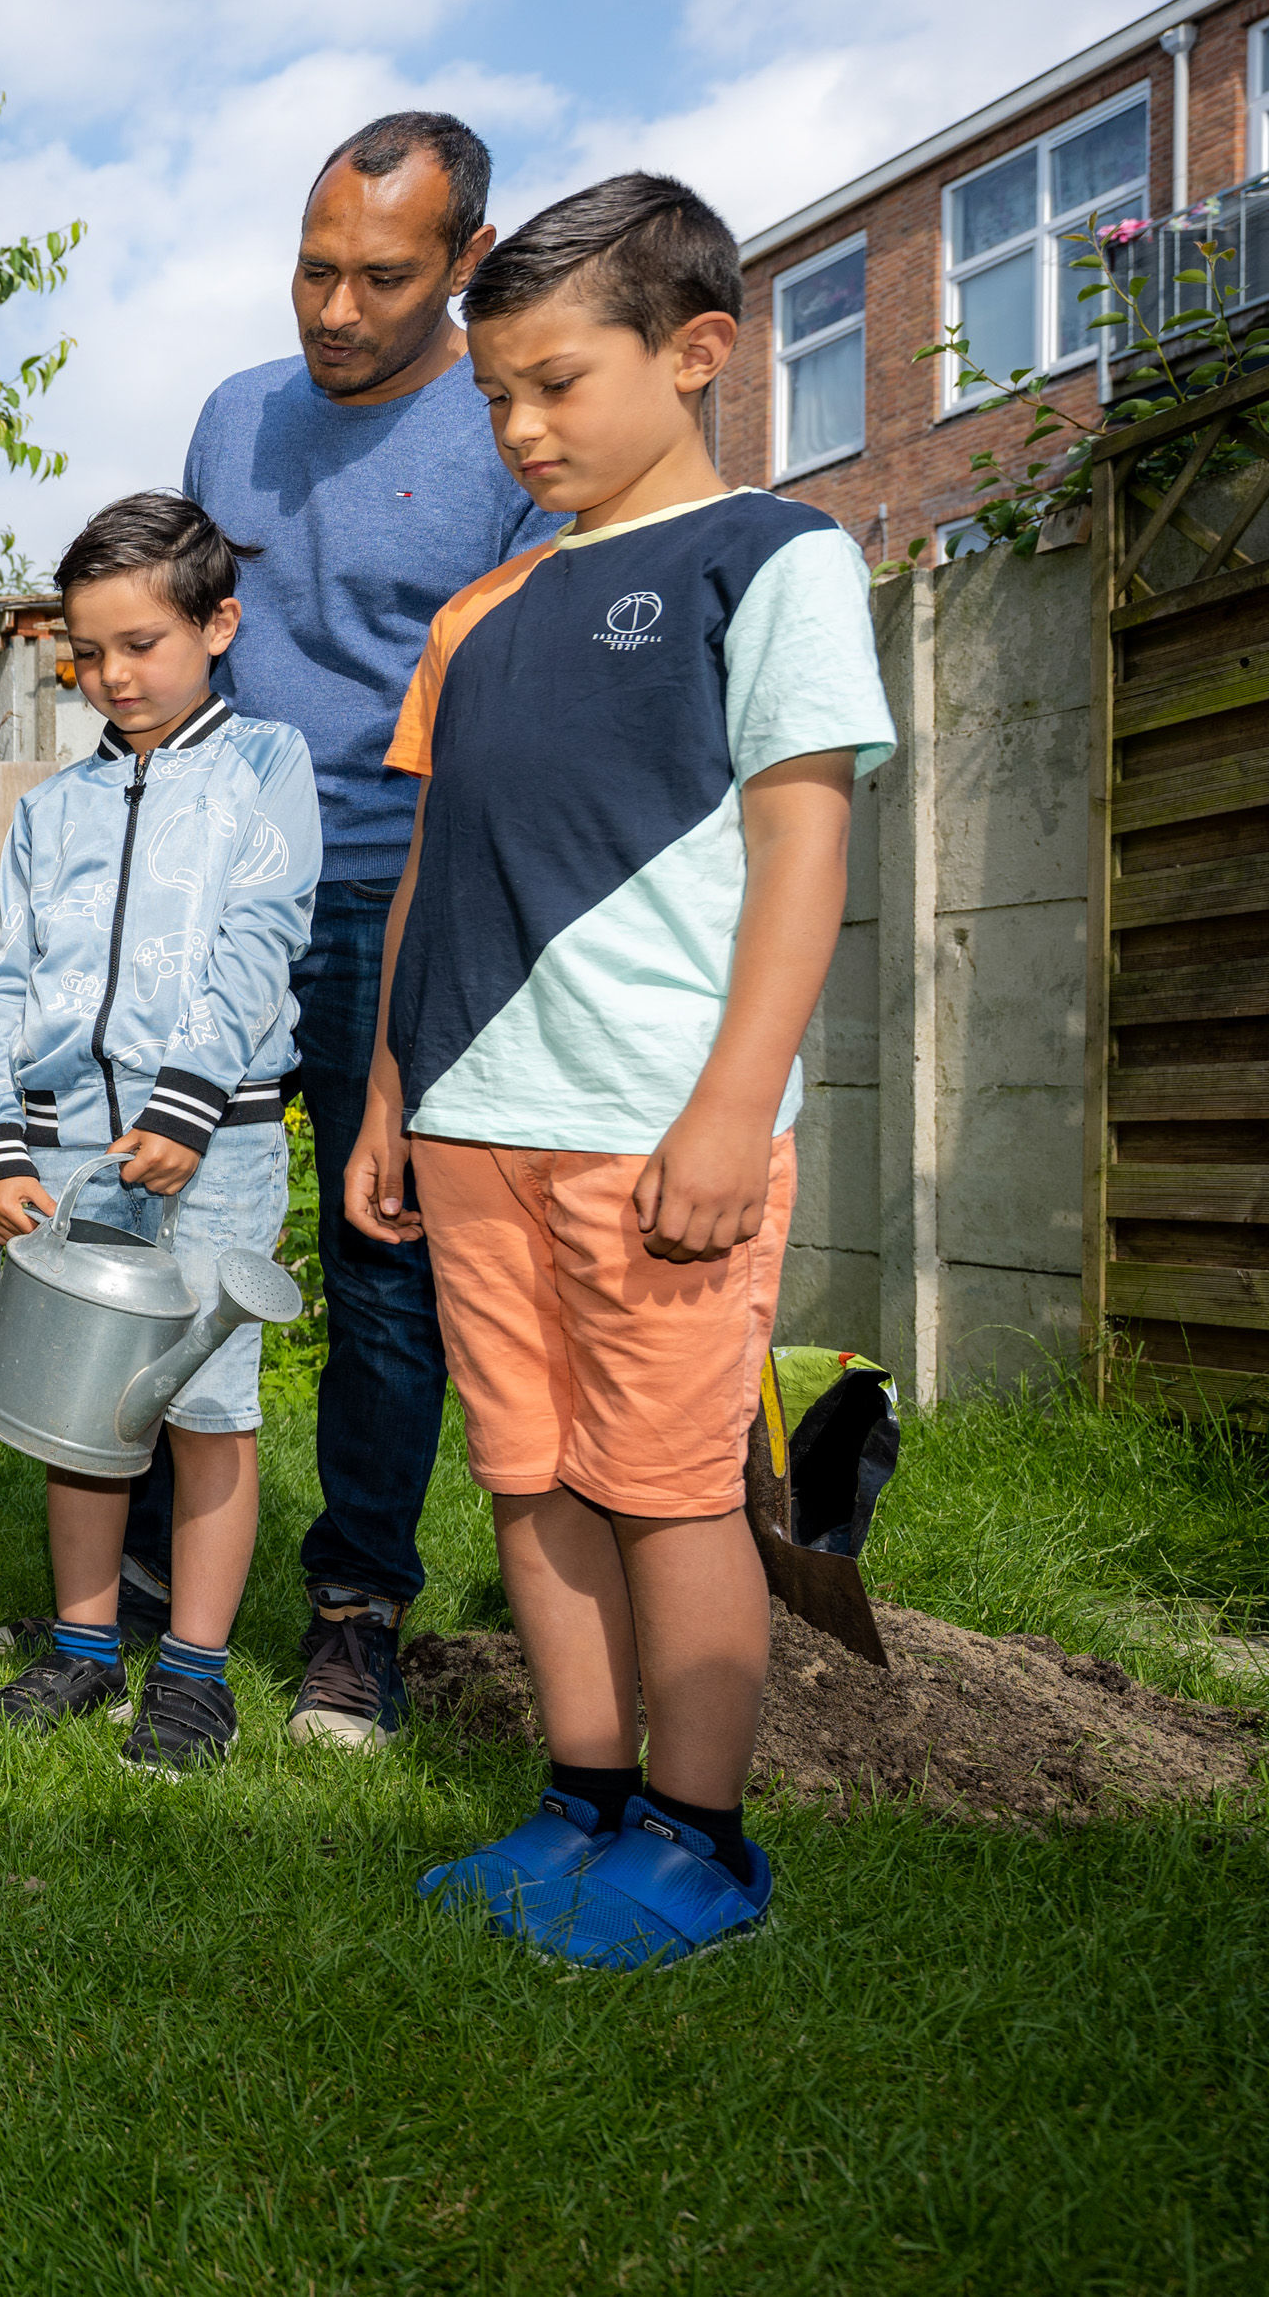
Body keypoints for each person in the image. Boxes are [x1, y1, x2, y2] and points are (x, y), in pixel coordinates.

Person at [345, 173, 887, 1967]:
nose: (518, 426)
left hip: (657, 1135)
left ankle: (697, 1832)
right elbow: (433, 871)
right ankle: (578, 1799)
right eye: (494, 394)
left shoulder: (775, 559)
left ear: (696, 351)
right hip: (473, 1130)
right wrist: (382, 1100)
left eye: (556, 383)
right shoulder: (474, 615)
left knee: (663, 1482)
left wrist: (732, 1106)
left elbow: (802, 847)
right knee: (524, 1476)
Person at [11, 113, 554, 1746]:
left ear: (462, 263)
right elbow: (184, 650)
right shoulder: (232, 417)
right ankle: (157, 1590)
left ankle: (349, 1610)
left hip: (402, 901)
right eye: (310, 267)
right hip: (221, 898)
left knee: (381, 1254)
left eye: (377, 277)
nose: (331, 307)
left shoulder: (502, 430)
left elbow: (502, 700)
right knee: (163, 1232)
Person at [0, 492, 315, 1772]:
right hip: (63, 1154)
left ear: (218, 624)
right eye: (87, 651)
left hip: (212, 1146)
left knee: (207, 1404)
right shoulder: (51, 808)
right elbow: (6, 980)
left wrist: (186, 1105)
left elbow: (257, 941)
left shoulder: (269, 767)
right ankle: (83, 1644)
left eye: (141, 645)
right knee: (84, 1408)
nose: (112, 675)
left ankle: (196, 1673)